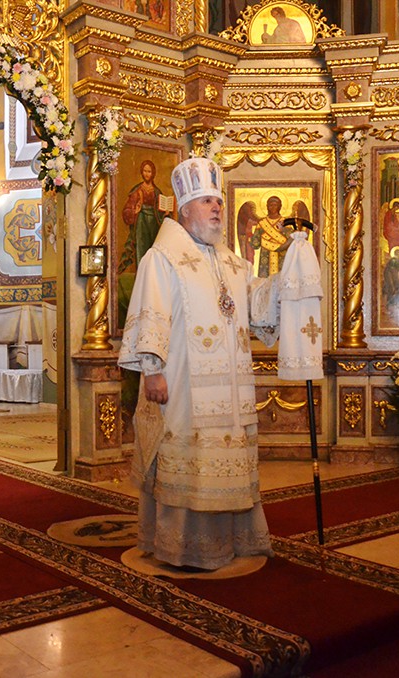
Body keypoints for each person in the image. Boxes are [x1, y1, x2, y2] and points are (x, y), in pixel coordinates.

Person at [119, 157, 283, 572]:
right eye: (207, 201)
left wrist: (286, 278)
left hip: (230, 391)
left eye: (219, 201)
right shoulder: (163, 257)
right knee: (189, 467)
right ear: (185, 209)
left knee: (227, 465)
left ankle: (234, 541)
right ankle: (185, 547)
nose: (217, 208)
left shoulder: (230, 260)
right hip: (181, 386)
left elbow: (255, 306)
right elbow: (150, 312)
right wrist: (152, 370)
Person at [121, 159, 170, 269]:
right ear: (141, 172)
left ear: (153, 173)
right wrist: (135, 210)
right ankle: (142, 273)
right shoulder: (137, 190)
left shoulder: (157, 192)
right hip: (141, 221)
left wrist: (166, 213)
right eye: (145, 171)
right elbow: (127, 210)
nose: (147, 174)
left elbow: (160, 211)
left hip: (154, 223)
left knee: (154, 249)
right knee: (142, 248)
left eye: (149, 171)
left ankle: (154, 274)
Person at [251, 195, 288, 277]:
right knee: (266, 282)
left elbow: (291, 240)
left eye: (275, 205)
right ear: (267, 206)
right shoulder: (262, 224)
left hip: (281, 256)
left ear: (279, 206)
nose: (273, 207)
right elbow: (255, 244)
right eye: (271, 205)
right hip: (265, 257)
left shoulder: (286, 222)